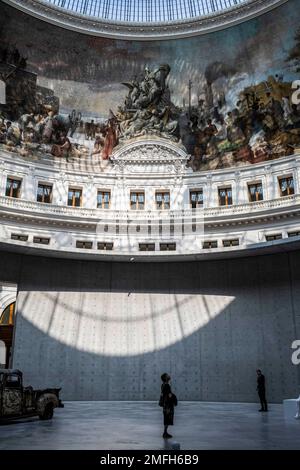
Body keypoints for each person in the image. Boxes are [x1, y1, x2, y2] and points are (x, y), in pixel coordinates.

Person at [160, 373, 176, 439]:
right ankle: (165, 433)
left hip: (165, 404)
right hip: (168, 404)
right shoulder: (167, 385)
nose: (169, 376)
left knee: (166, 418)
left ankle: (165, 432)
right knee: (167, 418)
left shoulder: (163, 385)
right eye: (167, 376)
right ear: (165, 378)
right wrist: (174, 400)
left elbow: (164, 395)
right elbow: (169, 395)